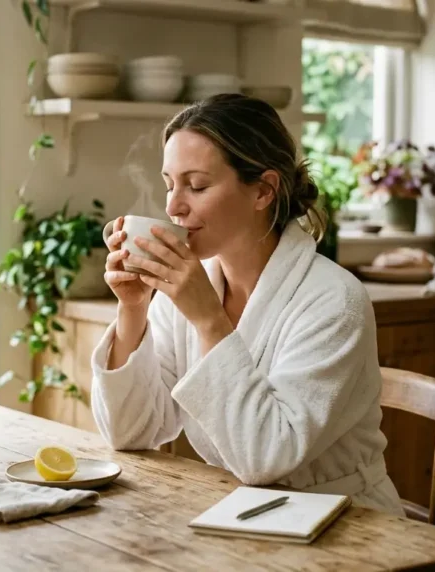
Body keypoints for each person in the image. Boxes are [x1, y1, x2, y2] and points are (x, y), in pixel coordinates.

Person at [90, 93, 405, 516]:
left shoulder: (334, 300)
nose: (172, 206)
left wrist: (208, 319)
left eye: (197, 185)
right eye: (169, 184)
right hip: (235, 513)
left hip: (348, 522)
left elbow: (266, 459)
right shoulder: (188, 287)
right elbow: (129, 432)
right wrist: (133, 308)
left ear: (263, 191)